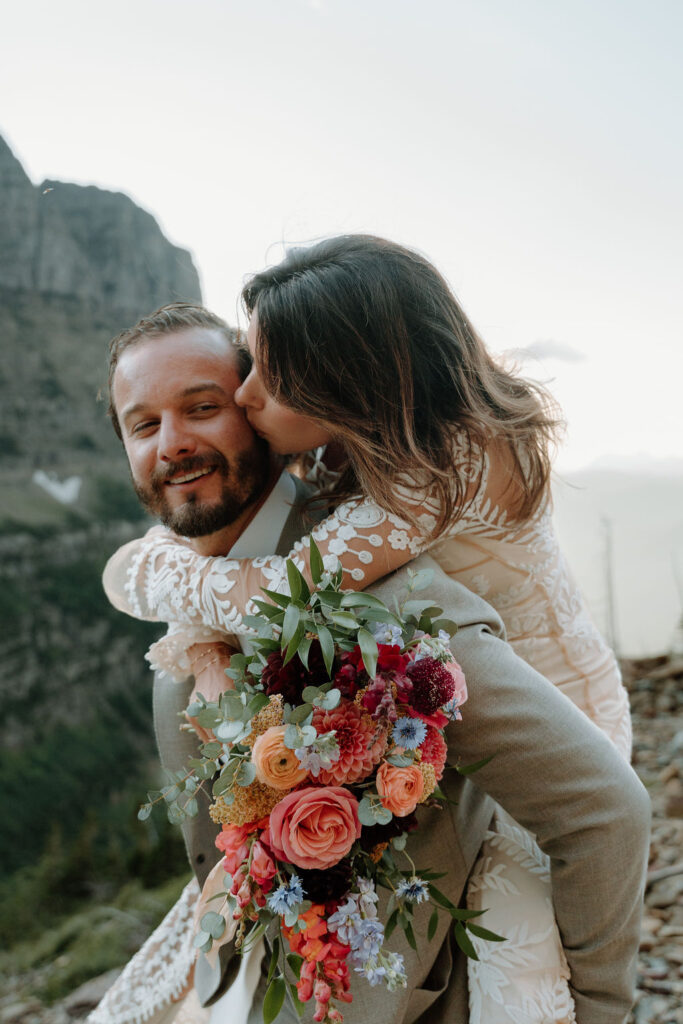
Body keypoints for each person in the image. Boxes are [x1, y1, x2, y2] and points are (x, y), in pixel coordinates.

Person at [102, 238, 635, 1021]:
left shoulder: (397, 570)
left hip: (554, 713)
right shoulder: (217, 583)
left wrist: (602, 1011)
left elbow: (600, 809)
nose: (175, 439)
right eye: (140, 423)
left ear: (338, 389)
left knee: (525, 965)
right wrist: (149, 574)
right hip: (266, 976)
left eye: (212, 403)